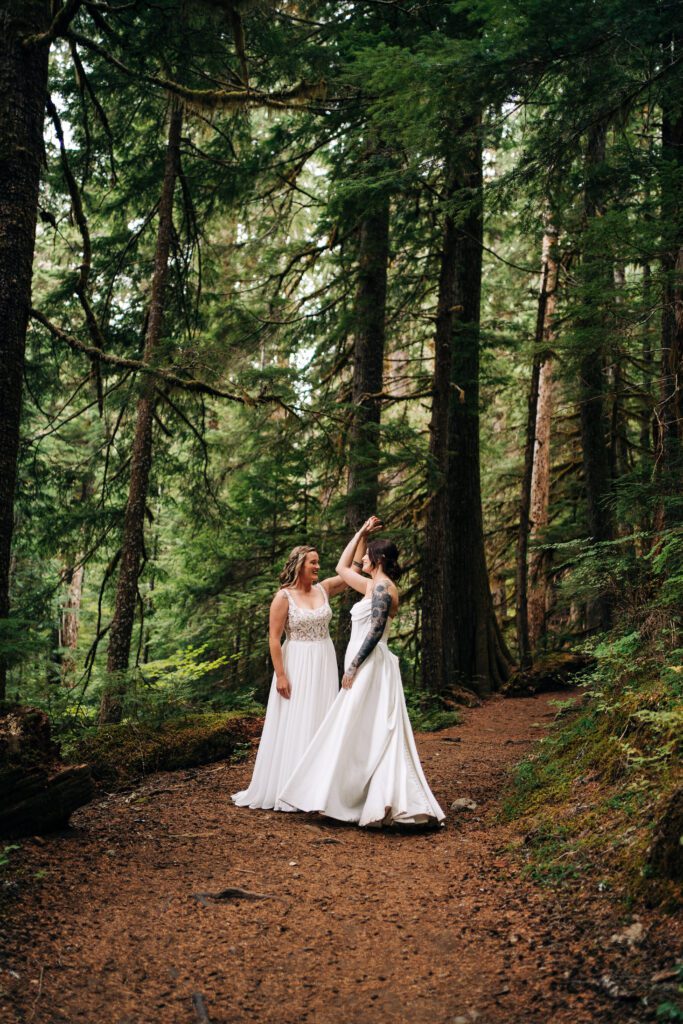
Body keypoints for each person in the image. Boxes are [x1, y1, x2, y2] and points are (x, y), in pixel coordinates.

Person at [278, 519, 445, 827]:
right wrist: (360, 535)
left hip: (370, 666)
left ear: (378, 561)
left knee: (359, 727)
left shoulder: (383, 589)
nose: (363, 559)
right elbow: (343, 568)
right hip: (362, 666)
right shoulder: (370, 585)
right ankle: (341, 796)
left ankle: (354, 798)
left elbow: (375, 632)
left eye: (367, 555)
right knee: (357, 728)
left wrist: (354, 665)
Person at [231, 536, 371, 811]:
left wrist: (362, 537)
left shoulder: (324, 589)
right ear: (299, 565)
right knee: (297, 718)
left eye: (319, 562)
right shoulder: (283, 597)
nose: (318, 566)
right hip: (297, 661)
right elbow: (273, 638)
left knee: (320, 718)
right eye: (313, 562)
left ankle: (316, 787)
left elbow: (351, 573)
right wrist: (281, 675)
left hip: (323, 659)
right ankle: (289, 787)